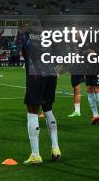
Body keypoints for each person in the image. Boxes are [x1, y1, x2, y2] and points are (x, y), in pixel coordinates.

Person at [18, 29, 61, 165]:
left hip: (35, 74)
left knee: (32, 113)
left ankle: (36, 154)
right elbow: (59, 55)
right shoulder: (49, 35)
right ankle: (56, 148)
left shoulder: (25, 36)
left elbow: (20, 55)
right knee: (48, 110)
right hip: (51, 74)